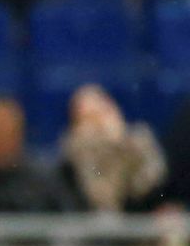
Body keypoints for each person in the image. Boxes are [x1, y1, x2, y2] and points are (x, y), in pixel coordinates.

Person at [59, 84, 167, 213]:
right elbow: (102, 198)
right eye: (90, 119)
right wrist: (91, 148)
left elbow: (151, 182)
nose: (100, 124)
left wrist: (123, 145)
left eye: (102, 112)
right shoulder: (73, 156)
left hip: (142, 214)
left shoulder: (139, 140)